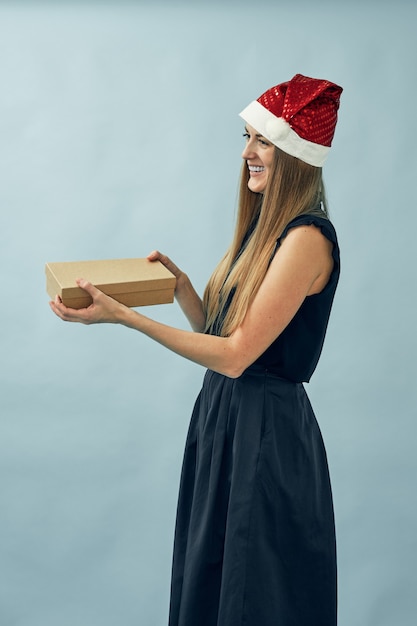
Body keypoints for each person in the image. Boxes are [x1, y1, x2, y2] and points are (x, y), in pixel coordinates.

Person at [50, 73, 343, 626]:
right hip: (225, 419)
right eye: (246, 138)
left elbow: (235, 356)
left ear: (296, 155)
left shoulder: (307, 238)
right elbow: (222, 333)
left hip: (265, 431)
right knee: (214, 579)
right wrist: (182, 287)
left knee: (255, 592)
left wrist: (126, 318)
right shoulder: (263, 230)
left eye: (263, 141)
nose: (248, 154)